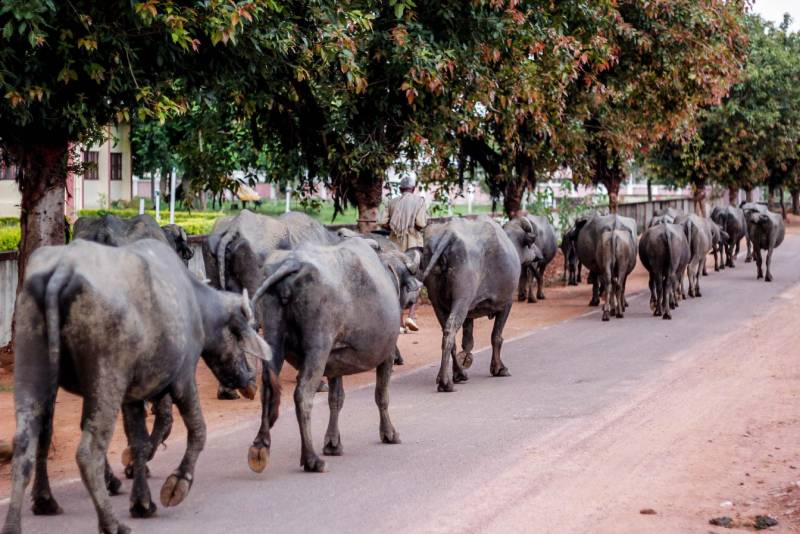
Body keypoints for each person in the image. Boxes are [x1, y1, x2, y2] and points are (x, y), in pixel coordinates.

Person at [379, 176, 427, 332]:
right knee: (416, 280)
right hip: (413, 247)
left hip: (394, 247)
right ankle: (411, 317)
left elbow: (383, 222)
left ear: (400, 189)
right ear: (413, 189)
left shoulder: (391, 202)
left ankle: (399, 324)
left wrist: (395, 225)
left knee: (396, 283)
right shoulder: (419, 201)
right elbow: (421, 223)